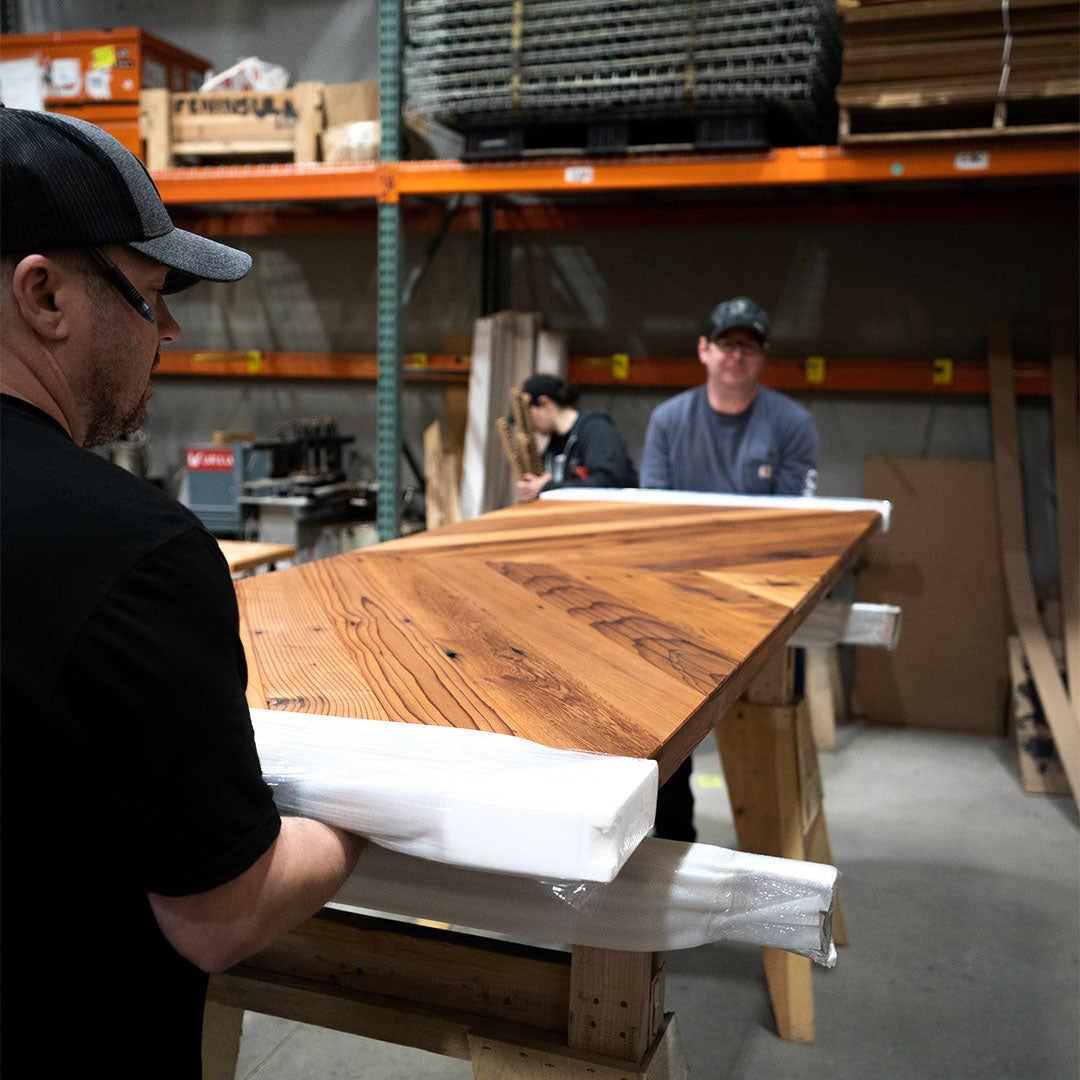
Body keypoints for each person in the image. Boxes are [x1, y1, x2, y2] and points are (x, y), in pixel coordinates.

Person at [0, 108, 366, 1076]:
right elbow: (222, 914)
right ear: (43, 294)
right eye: (152, 293)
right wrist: (362, 812)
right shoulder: (137, 552)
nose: (167, 330)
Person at [640, 297, 820, 841]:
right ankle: (672, 846)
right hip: (679, 600)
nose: (735, 356)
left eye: (749, 345)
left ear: (762, 356)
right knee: (666, 736)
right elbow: (657, 517)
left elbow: (791, 527)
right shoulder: (669, 420)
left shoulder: (792, 424)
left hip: (764, 600)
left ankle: (778, 847)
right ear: (703, 350)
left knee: (770, 734)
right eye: (725, 343)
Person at [515, 373, 638, 502]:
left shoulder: (595, 428)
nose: (528, 425)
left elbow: (610, 483)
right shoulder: (553, 444)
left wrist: (547, 487)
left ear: (545, 403)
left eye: (527, 416)